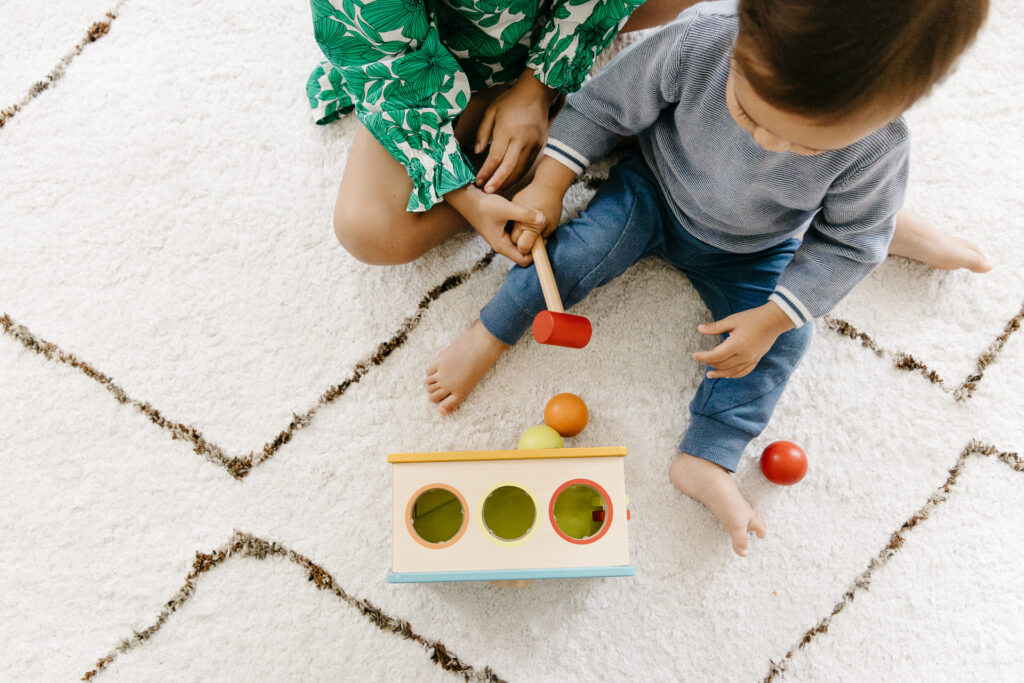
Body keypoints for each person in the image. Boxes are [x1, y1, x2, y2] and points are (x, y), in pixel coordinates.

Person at [424, 0, 991, 555]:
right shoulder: (704, 37)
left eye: (804, 144)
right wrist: (550, 182)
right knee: (572, 252)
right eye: (749, 113)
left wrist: (771, 319)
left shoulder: (879, 149)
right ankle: (488, 332)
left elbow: (847, 246)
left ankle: (708, 455)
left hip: (755, 247)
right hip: (652, 189)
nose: (767, 143)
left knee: (790, 336)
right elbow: (603, 107)